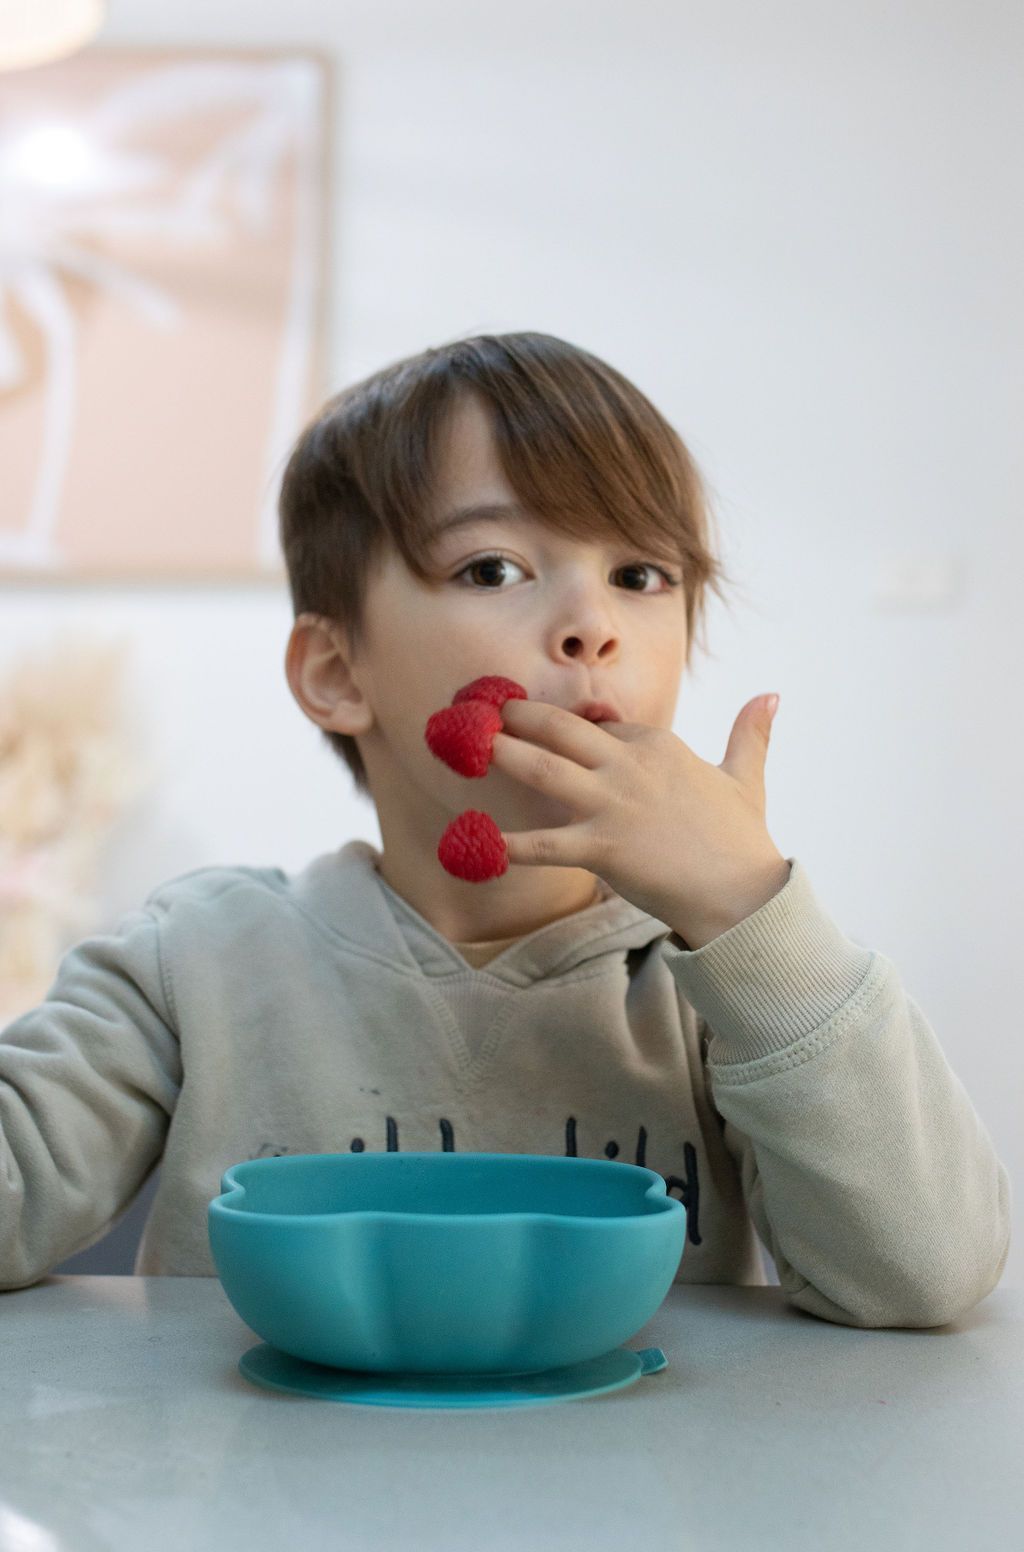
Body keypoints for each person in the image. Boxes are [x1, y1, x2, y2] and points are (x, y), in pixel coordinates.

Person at [0, 332, 1010, 1326]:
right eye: (491, 569)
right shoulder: (195, 961)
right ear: (337, 673)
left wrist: (748, 909)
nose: (591, 624)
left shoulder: (720, 990)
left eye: (640, 576)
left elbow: (924, 1277)